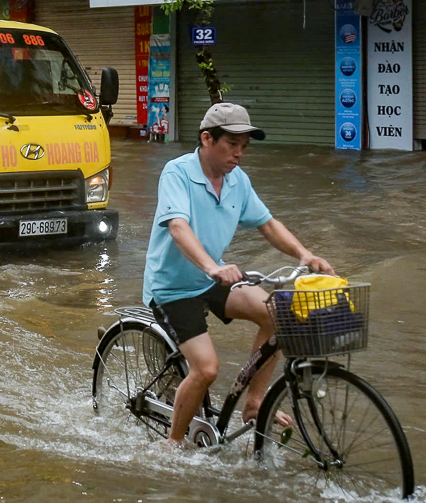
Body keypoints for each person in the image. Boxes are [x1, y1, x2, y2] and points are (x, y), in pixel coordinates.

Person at [143, 102, 334, 447]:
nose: (239, 154)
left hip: (212, 279)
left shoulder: (237, 182)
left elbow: (268, 224)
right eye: (232, 144)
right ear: (206, 139)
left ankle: (254, 403)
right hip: (173, 289)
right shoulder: (178, 172)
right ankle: (172, 445)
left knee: (280, 314)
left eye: (244, 147)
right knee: (207, 370)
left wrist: (305, 254)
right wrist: (213, 266)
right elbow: (177, 226)